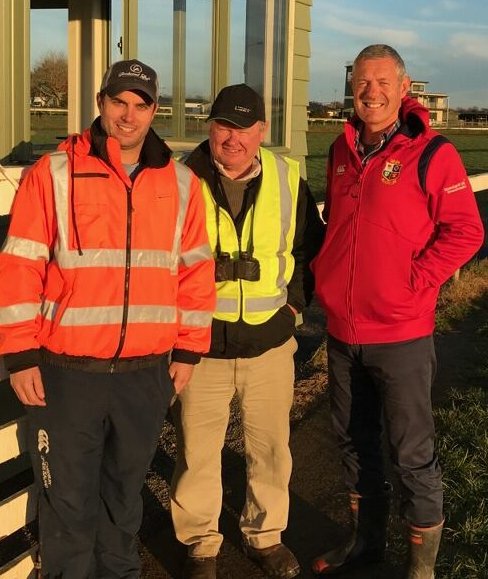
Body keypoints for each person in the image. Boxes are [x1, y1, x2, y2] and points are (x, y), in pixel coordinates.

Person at [0, 59, 216, 578]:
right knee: (68, 507)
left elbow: (195, 272)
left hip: (145, 374)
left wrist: (188, 350)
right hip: (67, 373)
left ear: (154, 111)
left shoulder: (182, 184)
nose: (129, 115)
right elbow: (21, 265)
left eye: (141, 105)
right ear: (101, 103)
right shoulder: (52, 174)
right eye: (119, 102)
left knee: (124, 503)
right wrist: (21, 353)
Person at [310, 45, 484, 577]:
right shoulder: (341, 152)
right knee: (354, 442)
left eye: (383, 81)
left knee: (411, 451)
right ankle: (366, 544)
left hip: (401, 334)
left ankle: (420, 566)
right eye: (362, 81)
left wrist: (416, 282)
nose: (371, 91)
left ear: (404, 88)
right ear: (352, 87)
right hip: (343, 332)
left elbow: (466, 231)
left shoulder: (433, 153)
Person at [170, 84, 324, 579]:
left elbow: (308, 252)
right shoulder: (178, 180)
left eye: (243, 128)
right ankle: (200, 545)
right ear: (208, 126)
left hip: (270, 344)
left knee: (271, 449)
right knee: (196, 451)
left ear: (261, 131)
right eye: (222, 125)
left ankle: (265, 535)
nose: (231, 138)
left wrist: (294, 309)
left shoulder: (288, 179)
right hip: (200, 347)